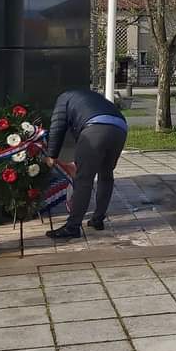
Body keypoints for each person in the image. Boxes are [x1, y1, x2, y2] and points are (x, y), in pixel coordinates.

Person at [45, 88, 129, 239]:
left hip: (95, 129)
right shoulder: (91, 96)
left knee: (84, 179)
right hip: (120, 128)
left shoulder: (63, 98)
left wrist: (51, 155)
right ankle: (98, 219)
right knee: (106, 174)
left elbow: (57, 126)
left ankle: (73, 226)